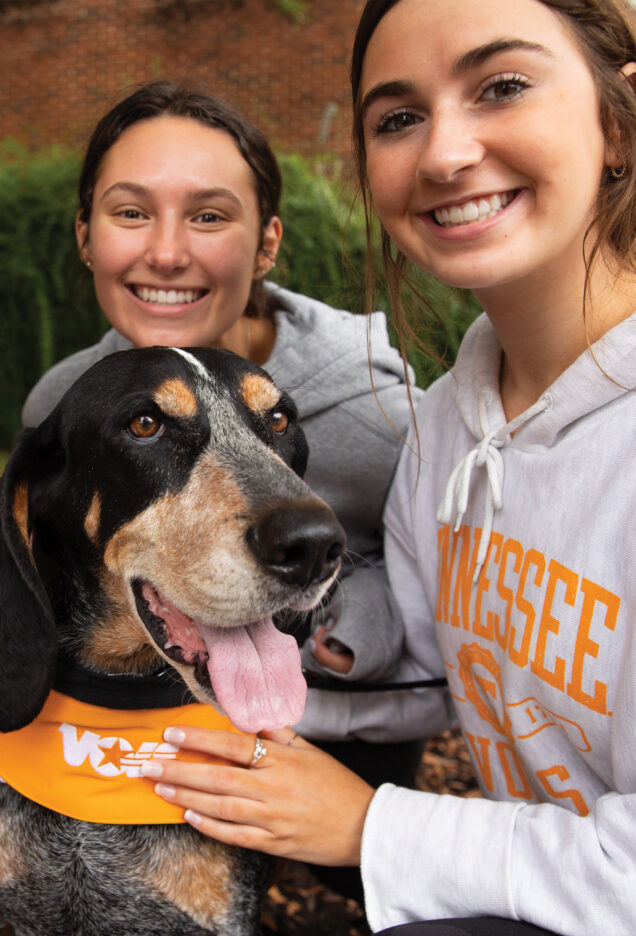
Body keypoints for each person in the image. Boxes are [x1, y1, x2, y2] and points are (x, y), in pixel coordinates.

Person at [138, 1, 636, 936]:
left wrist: (374, 828)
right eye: (396, 118)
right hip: (580, 885)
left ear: (618, 112)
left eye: (502, 86)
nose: (447, 151)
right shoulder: (450, 422)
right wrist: (215, 711)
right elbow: (428, 670)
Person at [21, 82, 428, 842]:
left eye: (208, 216)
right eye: (131, 212)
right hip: (135, 727)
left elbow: (447, 577)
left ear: (268, 243)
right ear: (85, 236)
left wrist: (329, 628)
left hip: (341, 729)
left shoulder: (379, 420)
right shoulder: (64, 405)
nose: (167, 252)